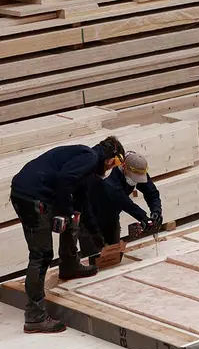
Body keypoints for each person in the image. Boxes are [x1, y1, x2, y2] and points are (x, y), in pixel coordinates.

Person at [10, 136, 125, 334]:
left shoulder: (83, 163)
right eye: (113, 163)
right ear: (109, 158)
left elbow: (82, 205)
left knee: (74, 217)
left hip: (27, 192)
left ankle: (70, 266)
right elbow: (64, 180)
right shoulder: (88, 158)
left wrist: (99, 240)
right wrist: (64, 212)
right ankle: (35, 317)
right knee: (41, 255)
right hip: (32, 197)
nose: (109, 168)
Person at [80, 152, 162, 257]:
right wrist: (143, 217)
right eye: (134, 177)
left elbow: (152, 193)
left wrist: (156, 211)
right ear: (123, 167)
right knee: (94, 259)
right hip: (90, 219)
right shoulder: (109, 177)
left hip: (112, 217)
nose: (136, 180)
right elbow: (123, 202)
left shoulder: (137, 169)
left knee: (114, 258)